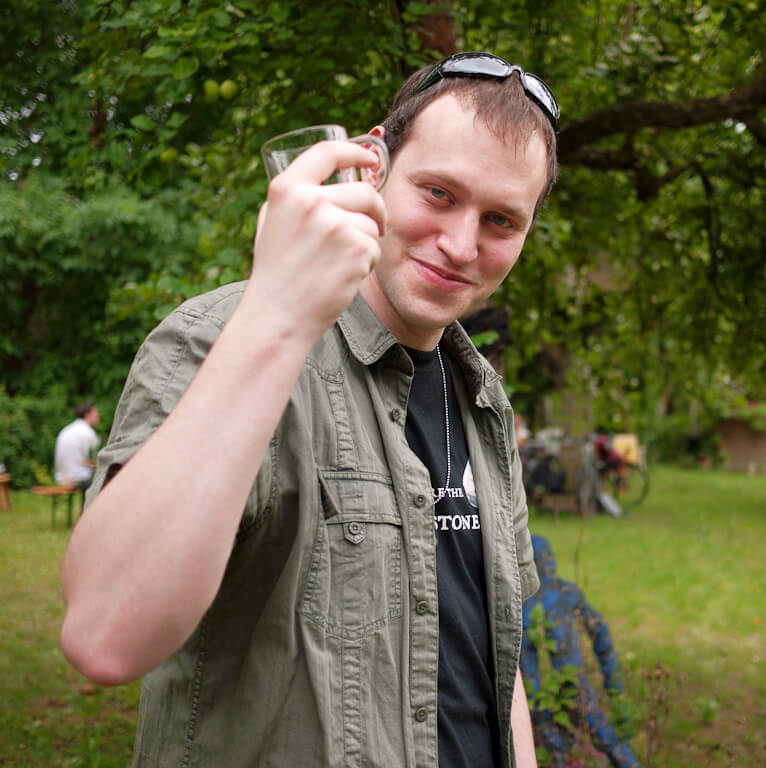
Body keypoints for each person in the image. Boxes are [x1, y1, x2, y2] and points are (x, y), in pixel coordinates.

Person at [60, 51, 560, 767]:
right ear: (370, 164)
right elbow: (106, 635)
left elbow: (492, 655)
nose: (460, 245)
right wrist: (279, 315)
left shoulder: (480, 395)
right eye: (440, 193)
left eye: (501, 220)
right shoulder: (223, 336)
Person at [521, 536, 640, 768]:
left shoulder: (559, 596)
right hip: (559, 691)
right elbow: (528, 667)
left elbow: (600, 634)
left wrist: (614, 685)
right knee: (598, 745)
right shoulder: (535, 604)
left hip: (567, 689)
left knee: (601, 743)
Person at [54, 402, 100, 489]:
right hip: (78, 478)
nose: (98, 417)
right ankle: (90, 502)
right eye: (96, 415)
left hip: (61, 478)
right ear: (87, 415)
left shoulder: (67, 429)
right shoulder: (89, 433)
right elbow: (93, 460)